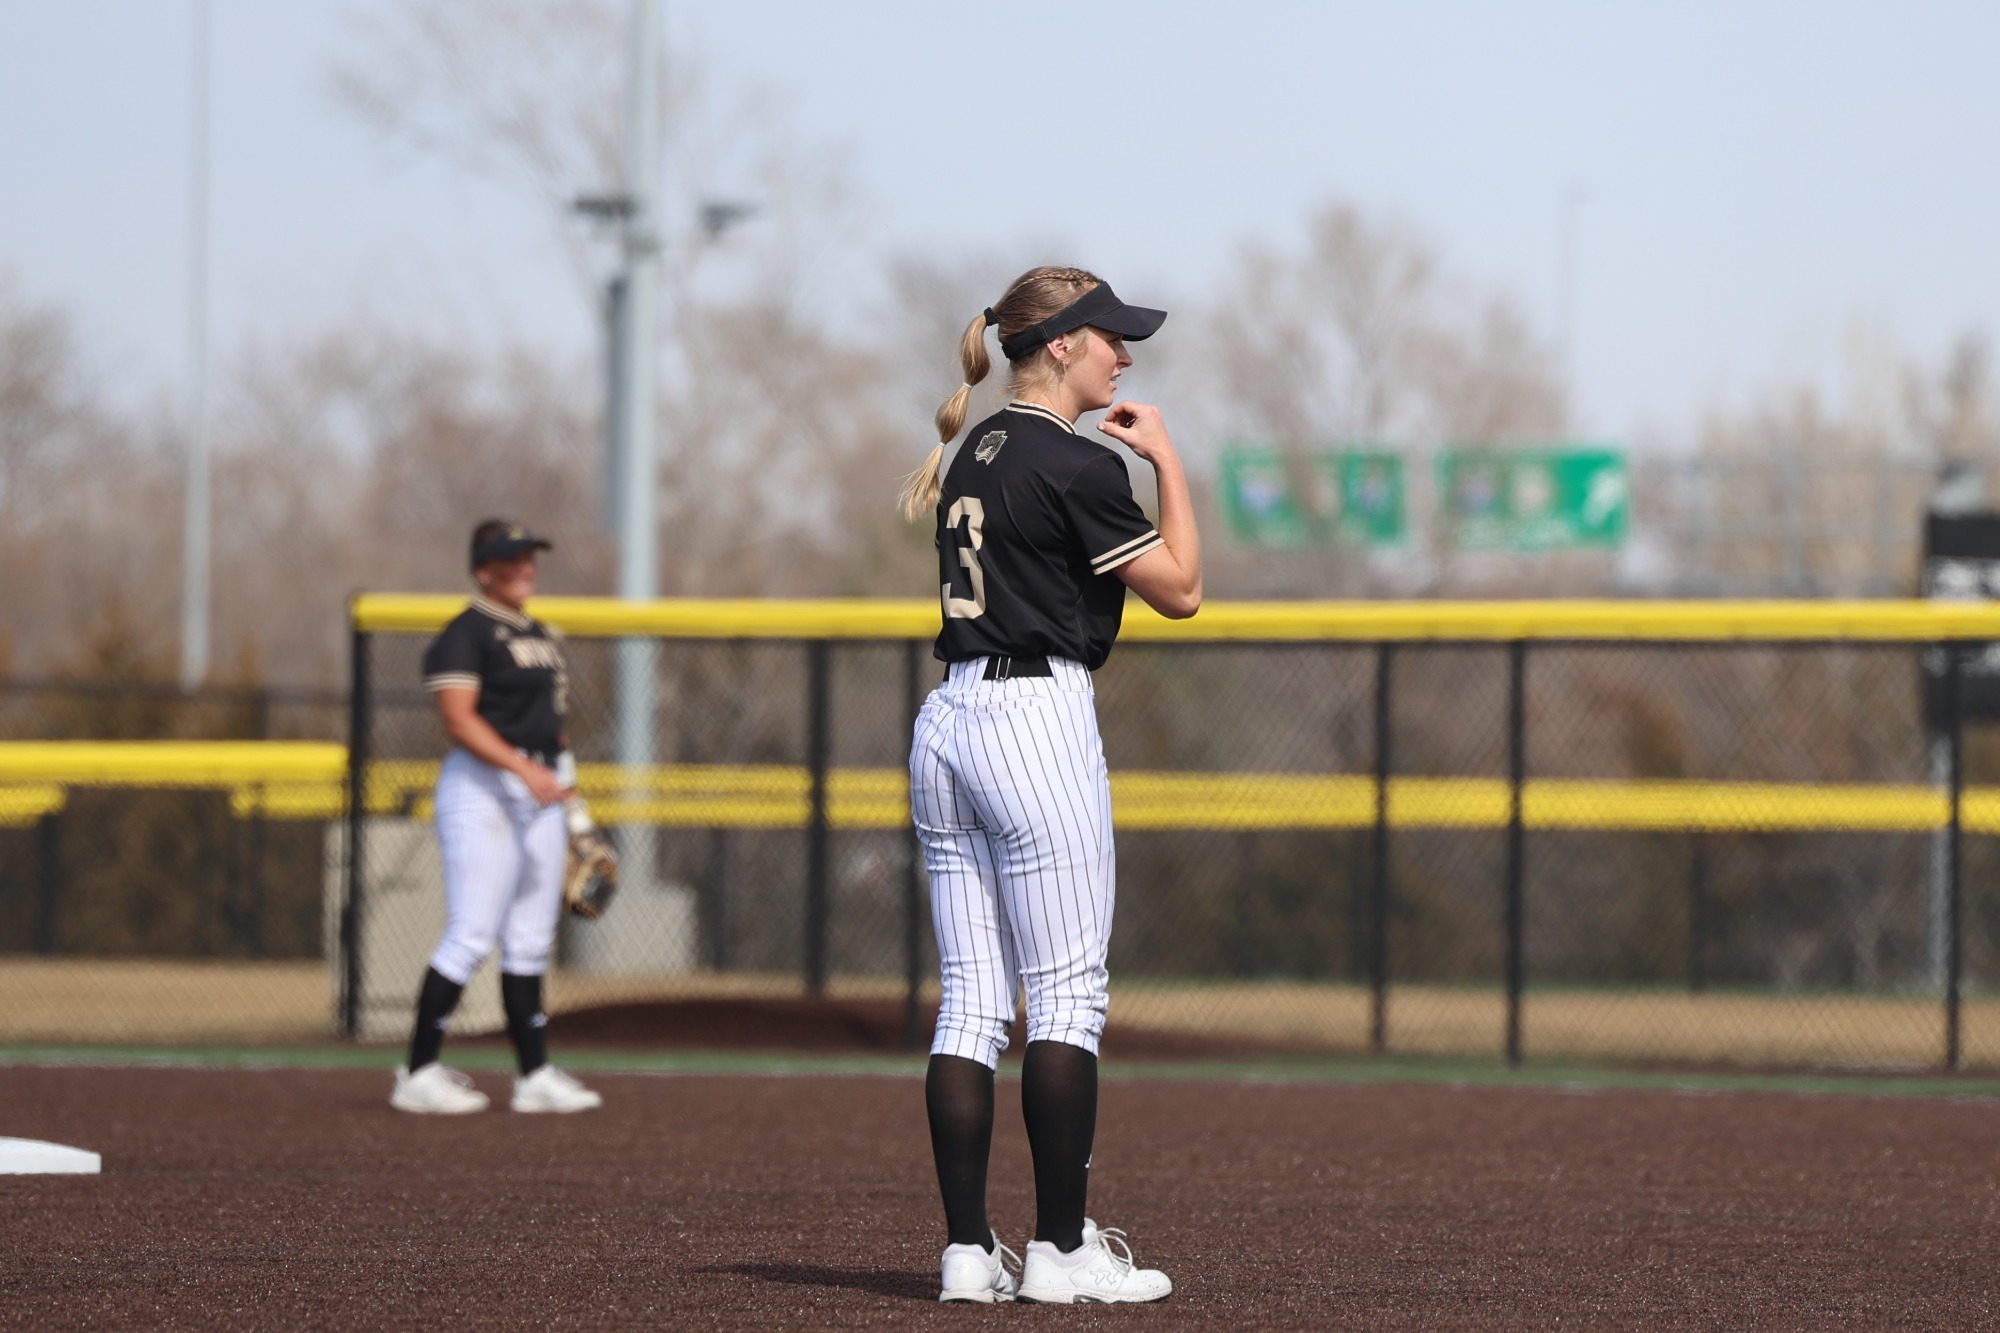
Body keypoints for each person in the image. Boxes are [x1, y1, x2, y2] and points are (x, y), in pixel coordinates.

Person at [900, 267, 1202, 1303]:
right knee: (1067, 997)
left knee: (971, 1004)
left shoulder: (974, 445)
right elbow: (1182, 591)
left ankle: (965, 1251)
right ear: (1061, 344)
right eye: (1111, 336)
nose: (1125, 353)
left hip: (947, 719)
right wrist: (1165, 458)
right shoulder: (1076, 463)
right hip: (1032, 720)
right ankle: (1061, 1252)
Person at [389, 519, 604, 1116]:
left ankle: (534, 1076)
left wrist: (574, 807)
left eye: (529, 556)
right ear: (483, 570)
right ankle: (418, 1071)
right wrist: (521, 768)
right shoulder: (466, 633)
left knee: (531, 939)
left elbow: (553, 729)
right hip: (483, 788)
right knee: (471, 932)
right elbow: (458, 718)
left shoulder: (539, 633)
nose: (525, 567)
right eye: (511, 559)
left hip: (541, 788)